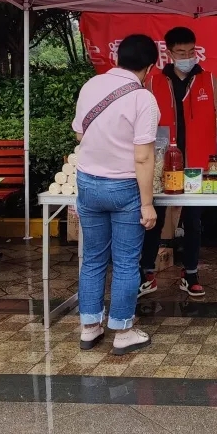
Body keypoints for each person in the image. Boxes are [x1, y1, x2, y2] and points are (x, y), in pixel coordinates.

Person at [140, 26, 217, 298]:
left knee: (193, 221)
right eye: (181, 52)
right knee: (153, 219)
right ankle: (146, 273)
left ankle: (190, 273)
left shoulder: (209, 80)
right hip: (161, 165)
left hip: (197, 167)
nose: (187, 57)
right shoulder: (153, 83)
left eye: (191, 51)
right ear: (169, 53)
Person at [72, 34, 160, 354]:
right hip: (124, 188)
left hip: (87, 183)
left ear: (117, 58)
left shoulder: (90, 86)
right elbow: (143, 157)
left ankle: (89, 328)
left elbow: (80, 133)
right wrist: (147, 204)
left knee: (93, 259)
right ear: (150, 67)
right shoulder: (143, 98)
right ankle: (123, 332)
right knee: (125, 262)